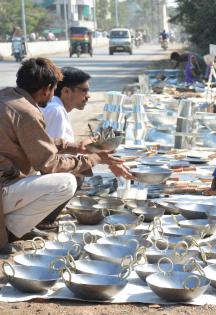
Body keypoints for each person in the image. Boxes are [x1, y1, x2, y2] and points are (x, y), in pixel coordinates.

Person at [0, 57, 133, 254]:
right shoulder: (27, 111)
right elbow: (48, 164)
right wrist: (94, 159)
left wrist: (78, 147)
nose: (53, 95)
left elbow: (36, 143)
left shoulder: (8, 98)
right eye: (54, 89)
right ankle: (10, 232)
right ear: (47, 88)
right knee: (66, 182)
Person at [42, 67, 91, 144]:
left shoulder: (55, 107)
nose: (88, 96)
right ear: (66, 91)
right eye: (84, 90)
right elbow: (52, 152)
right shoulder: (56, 110)